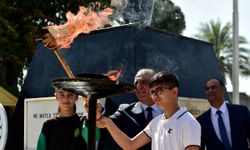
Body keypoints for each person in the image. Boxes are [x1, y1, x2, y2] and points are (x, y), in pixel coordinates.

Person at [97, 71, 201, 150]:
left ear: (174, 92)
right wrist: (108, 123)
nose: (154, 96)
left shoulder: (189, 123)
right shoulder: (155, 122)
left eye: (159, 90)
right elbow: (130, 145)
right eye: (152, 92)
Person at [97, 68, 163, 150]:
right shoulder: (125, 111)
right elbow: (104, 123)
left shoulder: (169, 112)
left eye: (144, 82)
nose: (139, 86)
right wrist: (98, 113)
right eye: (136, 83)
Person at [36, 88, 101, 150]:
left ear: (76, 97)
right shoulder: (48, 125)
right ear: (56, 97)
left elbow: (94, 137)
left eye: (70, 94)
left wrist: (92, 113)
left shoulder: (83, 123)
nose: (66, 98)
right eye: (62, 94)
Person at [197, 78, 250, 150]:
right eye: (207, 89)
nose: (210, 90)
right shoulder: (201, 121)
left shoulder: (241, 112)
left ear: (223, 90)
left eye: (213, 87)